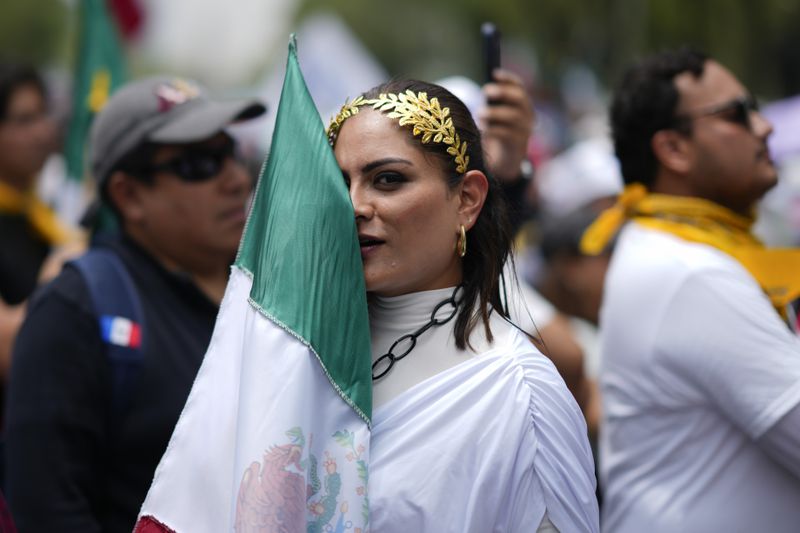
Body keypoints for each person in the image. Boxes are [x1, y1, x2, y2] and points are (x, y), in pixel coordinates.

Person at [328, 79, 599, 531]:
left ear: (467, 200)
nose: (354, 205)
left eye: (388, 180)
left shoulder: (520, 394)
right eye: (339, 184)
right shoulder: (305, 348)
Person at [5, 75, 265, 532]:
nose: (236, 180)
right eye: (199, 164)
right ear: (129, 195)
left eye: (231, 154)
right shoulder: (77, 310)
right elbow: (46, 510)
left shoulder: (267, 298)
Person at [581, 48, 800, 532]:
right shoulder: (689, 271)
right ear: (674, 149)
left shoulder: (674, 249)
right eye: (738, 114)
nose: (764, 128)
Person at [0, 63, 79, 382]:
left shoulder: (39, 217)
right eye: (24, 120)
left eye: (44, 114)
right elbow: (7, 349)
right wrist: (58, 275)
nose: (44, 131)